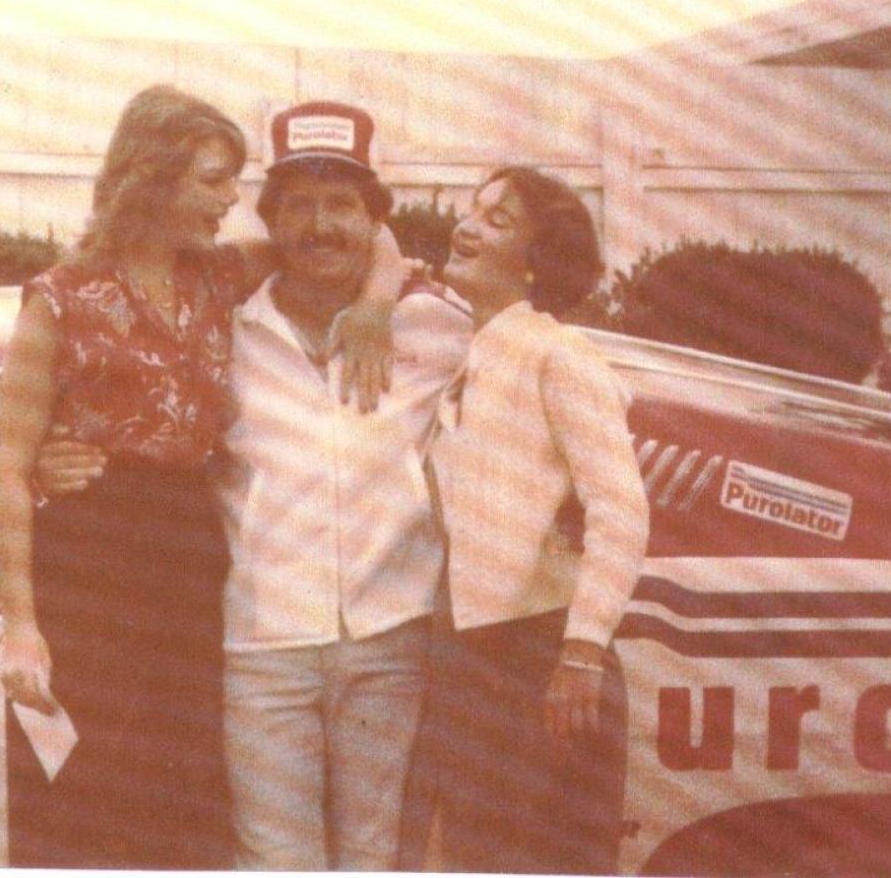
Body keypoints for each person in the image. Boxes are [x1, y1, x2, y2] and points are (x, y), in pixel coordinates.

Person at [35, 100, 473, 870]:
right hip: (263, 650)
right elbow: (134, 424)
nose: (321, 226)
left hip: (390, 641)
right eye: (299, 205)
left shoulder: (439, 329)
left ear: (374, 218)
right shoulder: (220, 329)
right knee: (273, 862)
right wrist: (51, 458)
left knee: (374, 857)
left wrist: (380, 302)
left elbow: (535, 407)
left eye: (342, 204)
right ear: (270, 220)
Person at [401, 165, 650, 874]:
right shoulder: (476, 352)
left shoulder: (558, 353)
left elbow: (621, 509)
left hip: (543, 661)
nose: (467, 226)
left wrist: (582, 652)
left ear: (537, 262)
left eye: (498, 219)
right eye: (473, 210)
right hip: (472, 660)